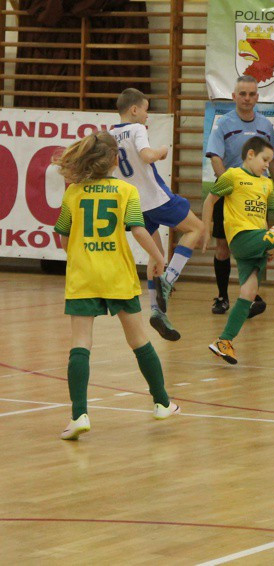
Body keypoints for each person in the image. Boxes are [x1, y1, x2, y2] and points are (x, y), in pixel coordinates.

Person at [52, 132, 180, 441]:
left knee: (81, 343)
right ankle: (162, 402)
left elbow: (64, 239)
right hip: (117, 275)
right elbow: (137, 229)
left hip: (83, 276)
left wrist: (81, 254)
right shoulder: (126, 191)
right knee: (137, 340)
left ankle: (79, 414)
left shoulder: (73, 193)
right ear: (114, 160)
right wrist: (158, 255)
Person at [203, 136, 274, 365]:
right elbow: (210, 201)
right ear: (250, 155)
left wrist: (268, 244)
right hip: (240, 237)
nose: (268, 164)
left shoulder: (266, 184)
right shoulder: (233, 176)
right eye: (265, 159)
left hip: (256, 238)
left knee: (249, 292)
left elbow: (262, 219)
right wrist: (206, 231)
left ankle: (223, 341)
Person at [111, 88, 207, 341]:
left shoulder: (110, 135)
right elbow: (146, 155)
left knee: (156, 256)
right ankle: (170, 279)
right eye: (145, 109)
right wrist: (162, 151)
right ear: (134, 110)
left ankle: (156, 311)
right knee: (196, 228)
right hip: (155, 198)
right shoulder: (137, 130)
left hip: (133, 205)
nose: (147, 115)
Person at [205, 75, 274, 317]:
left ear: (257, 97)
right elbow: (215, 157)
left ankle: (250, 297)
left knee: (256, 246)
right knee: (222, 247)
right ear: (234, 96)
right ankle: (222, 297)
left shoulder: (265, 126)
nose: (247, 98)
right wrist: (227, 187)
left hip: (256, 197)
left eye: (252, 94)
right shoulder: (223, 125)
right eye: (242, 94)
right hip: (230, 196)